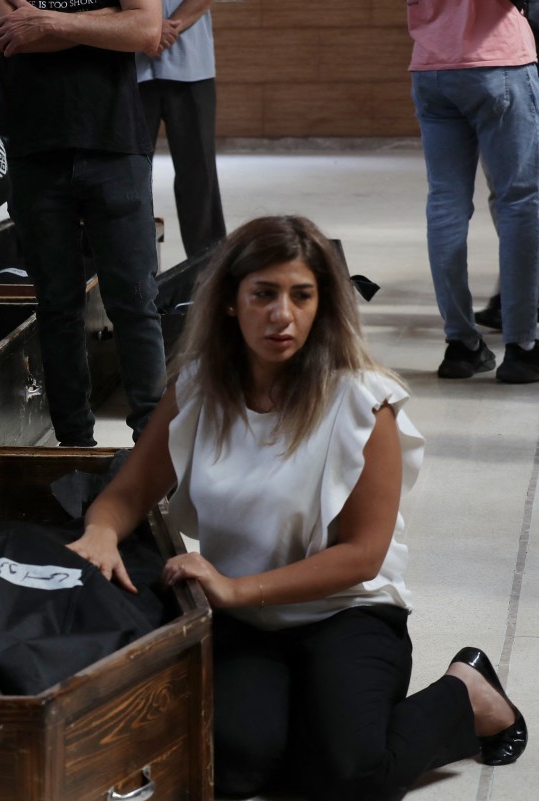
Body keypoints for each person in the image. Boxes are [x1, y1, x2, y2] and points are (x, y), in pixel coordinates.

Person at [68, 215, 527, 800]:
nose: (282, 315)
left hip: (348, 613)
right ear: (231, 302)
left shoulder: (363, 400)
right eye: (263, 294)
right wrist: (102, 533)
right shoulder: (200, 386)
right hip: (247, 624)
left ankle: (469, 694)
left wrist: (234, 589)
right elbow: (129, 493)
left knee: (348, 776)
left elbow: (362, 556)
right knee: (232, 766)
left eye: (301, 296)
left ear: (322, 305)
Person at [0, 0, 167, 446]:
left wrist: (48, 20)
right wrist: (104, 21)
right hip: (35, 148)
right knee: (57, 307)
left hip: (115, 143)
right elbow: (12, 37)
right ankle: (73, 446)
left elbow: (145, 31)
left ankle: (152, 451)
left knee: (136, 301)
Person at [408, 0, 539, 383]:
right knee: (519, 202)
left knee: (445, 204)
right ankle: (522, 347)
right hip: (499, 61)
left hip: (432, 67)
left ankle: (462, 345)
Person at [137, 0, 226, 260]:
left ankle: (211, 272)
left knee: (199, 176)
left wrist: (168, 29)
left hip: (191, 66)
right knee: (127, 177)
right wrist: (144, 31)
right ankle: (133, 278)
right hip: (129, 71)